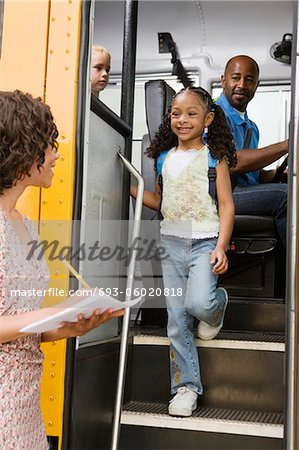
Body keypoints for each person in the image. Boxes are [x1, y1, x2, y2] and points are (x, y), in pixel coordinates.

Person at [0, 90, 124, 450]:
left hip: (25, 405)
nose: (56, 154)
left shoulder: (25, 224)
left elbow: (20, 327)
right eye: (48, 143)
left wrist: (69, 325)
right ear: (23, 150)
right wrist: (54, 312)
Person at [131, 86, 237, 417]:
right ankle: (185, 387)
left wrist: (221, 245)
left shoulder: (213, 158)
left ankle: (218, 306)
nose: (182, 119)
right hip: (171, 243)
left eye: (191, 114)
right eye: (176, 113)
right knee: (176, 320)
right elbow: (162, 203)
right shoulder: (163, 158)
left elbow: (226, 206)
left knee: (199, 304)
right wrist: (132, 188)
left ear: (207, 119)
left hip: (205, 241)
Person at [216, 55, 288, 247]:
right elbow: (232, 163)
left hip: (240, 191)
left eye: (249, 80)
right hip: (219, 195)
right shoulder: (214, 115)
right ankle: (293, 272)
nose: (241, 84)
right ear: (223, 81)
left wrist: (276, 174)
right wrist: (288, 145)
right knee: (287, 197)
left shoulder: (252, 127)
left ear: (257, 84)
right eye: (236, 77)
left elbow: (249, 175)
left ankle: (282, 274)